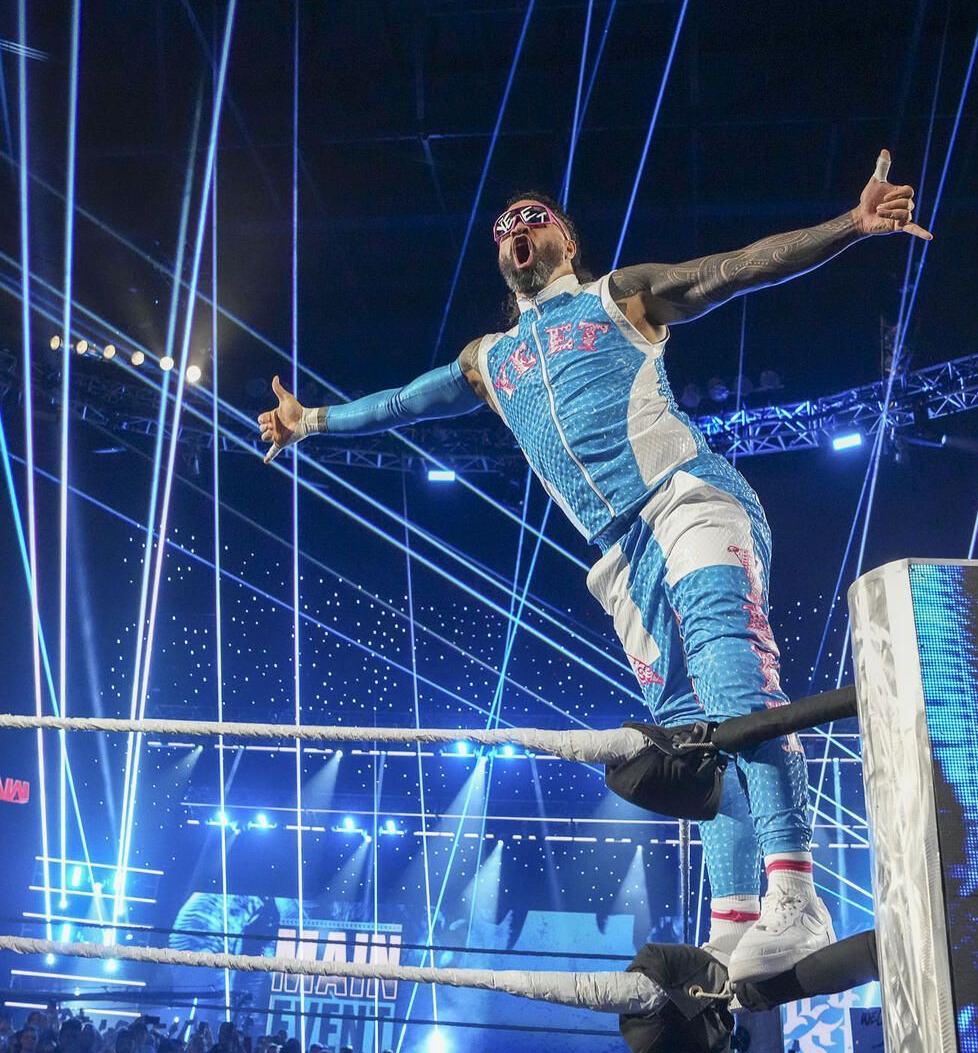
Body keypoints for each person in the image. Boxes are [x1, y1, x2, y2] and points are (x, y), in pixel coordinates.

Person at [258, 150, 930, 985]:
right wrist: (313, 420)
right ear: (500, 260)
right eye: (504, 229)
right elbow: (402, 403)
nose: (517, 233)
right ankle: (733, 921)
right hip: (620, 557)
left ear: (566, 244)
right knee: (691, 744)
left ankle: (797, 892)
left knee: (732, 682)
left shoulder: (620, 298)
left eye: (533, 220)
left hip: (687, 499)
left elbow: (734, 269)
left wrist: (850, 226)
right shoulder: (488, 359)